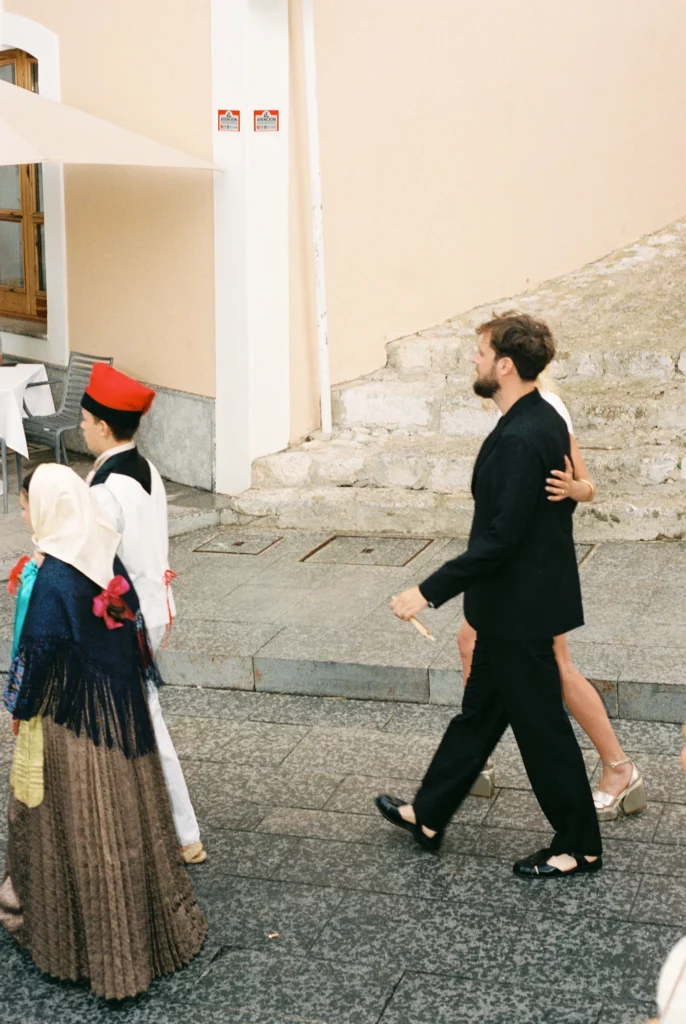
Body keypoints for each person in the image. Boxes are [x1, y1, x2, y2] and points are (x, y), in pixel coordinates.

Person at [376, 312, 602, 878]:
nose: (473, 360)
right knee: (478, 718)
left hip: (520, 613)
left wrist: (426, 592)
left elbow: (501, 540)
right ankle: (429, 814)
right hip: (510, 608)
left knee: (543, 730)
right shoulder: (538, 416)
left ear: (504, 365)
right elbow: (549, 506)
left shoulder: (524, 435)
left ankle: (580, 845)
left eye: (480, 352)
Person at [0, 465, 206, 1000]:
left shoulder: (54, 579)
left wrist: (15, 707)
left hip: (72, 727)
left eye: (27, 505)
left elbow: (33, 660)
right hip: (119, 720)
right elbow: (128, 633)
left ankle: (83, 947)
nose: (25, 514)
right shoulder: (102, 557)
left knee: (73, 829)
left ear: (49, 509)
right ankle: (145, 935)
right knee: (129, 822)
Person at [463, 377, 646, 819]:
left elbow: (587, 485)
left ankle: (619, 768)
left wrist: (571, 490)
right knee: (471, 642)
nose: (476, 360)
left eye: (485, 351)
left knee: (557, 664)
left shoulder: (547, 409)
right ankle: (471, 761)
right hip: (508, 566)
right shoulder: (510, 412)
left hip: (535, 569)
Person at [79, 363, 205, 865]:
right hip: (152, 608)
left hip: (123, 617)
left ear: (103, 426)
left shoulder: (105, 488)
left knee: (146, 720)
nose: (81, 428)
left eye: (85, 421)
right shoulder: (145, 468)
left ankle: (184, 832)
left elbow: (95, 563)